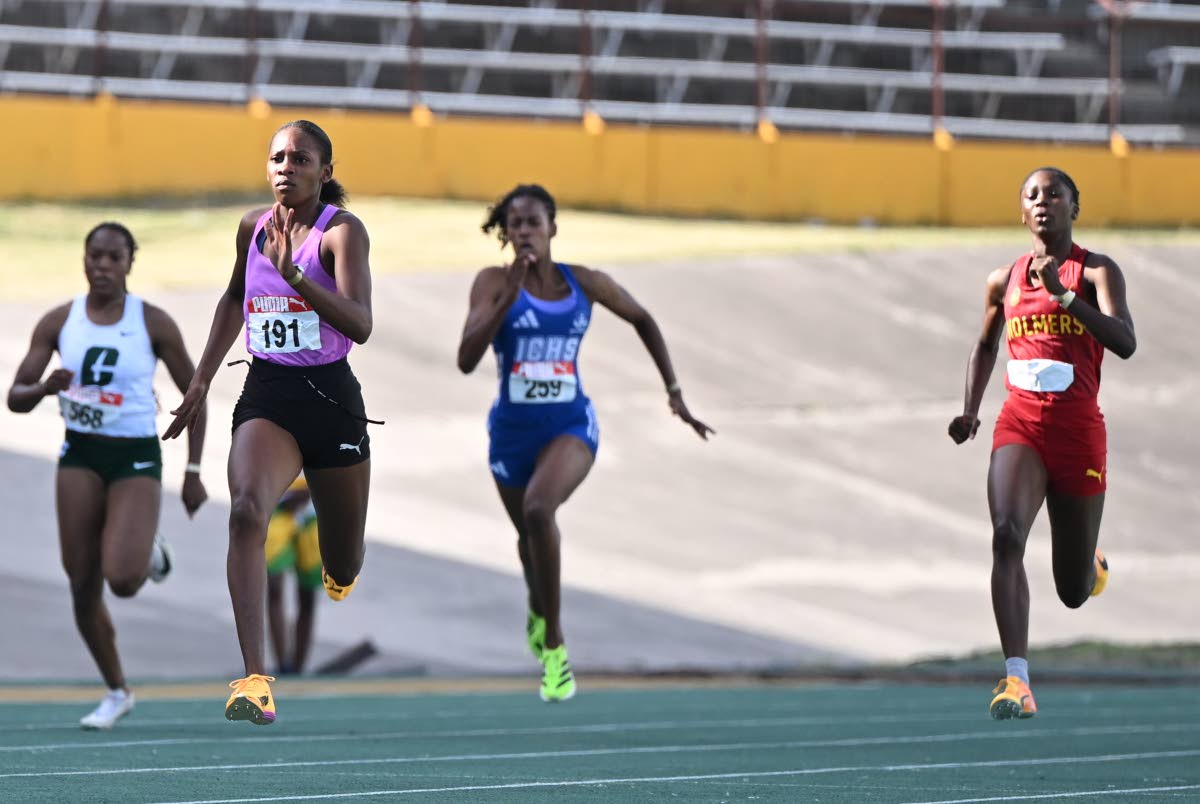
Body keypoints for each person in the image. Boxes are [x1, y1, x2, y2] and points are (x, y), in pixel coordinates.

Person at [457, 183, 713, 702]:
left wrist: (675, 392)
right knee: (529, 542)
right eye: (515, 224)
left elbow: (643, 318)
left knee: (538, 510)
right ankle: (538, 608)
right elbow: (465, 359)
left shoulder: (584, 283)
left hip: (570, 427)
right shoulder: (491, 282)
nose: (525, 231)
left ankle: (554, 645)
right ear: (505, 234)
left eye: (533, 221)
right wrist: (507, 296)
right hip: (510, 435)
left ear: (553, 227)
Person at [163, 119, 376, 725]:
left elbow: (360, 324)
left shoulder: (342, 234)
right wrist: (201, 381)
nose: (286, 167)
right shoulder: (252, 228)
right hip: (269, 394)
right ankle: (255, 679)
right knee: (246, 511)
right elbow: (235, 297)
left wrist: (296, 276)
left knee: (343, 561)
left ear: (324, 172)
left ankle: (341, 569)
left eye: (301, 158)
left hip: (332, 400)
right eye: (277, 157)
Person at [948, 167, 1136, 720]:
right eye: (1032, 195)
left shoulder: (1098, 271)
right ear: (1022, 211)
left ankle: (1090, 561)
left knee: (1073, 589)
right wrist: (969, 410)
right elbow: (985, 346)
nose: (1043, 202)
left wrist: (1067, 299)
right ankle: (1017, 680)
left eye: (1055, 194)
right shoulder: (1001, 280)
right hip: (1020, 426)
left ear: (1075, 207)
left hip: (1078, 433)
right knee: (1006, 537)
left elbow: (1125, 342)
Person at [6, 222, 209, 730]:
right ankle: (117, 690)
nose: (101, 266)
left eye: (112, 258)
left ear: (128, 264)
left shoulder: (153, 323)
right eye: (93, 256)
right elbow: (15, 397)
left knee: (122, 580)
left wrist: (193, 469)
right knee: (81, 585)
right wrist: (46, 387)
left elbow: (195, 397)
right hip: (79, 453)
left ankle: (148, 550)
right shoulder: (60, 321)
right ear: (83, 260)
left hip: (134, 457)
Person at [265, 473, 321, 675]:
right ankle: (282, 665)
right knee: (273, 588)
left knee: (307, 595)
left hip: (313, 505)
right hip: (277, 502)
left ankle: (298, 668)